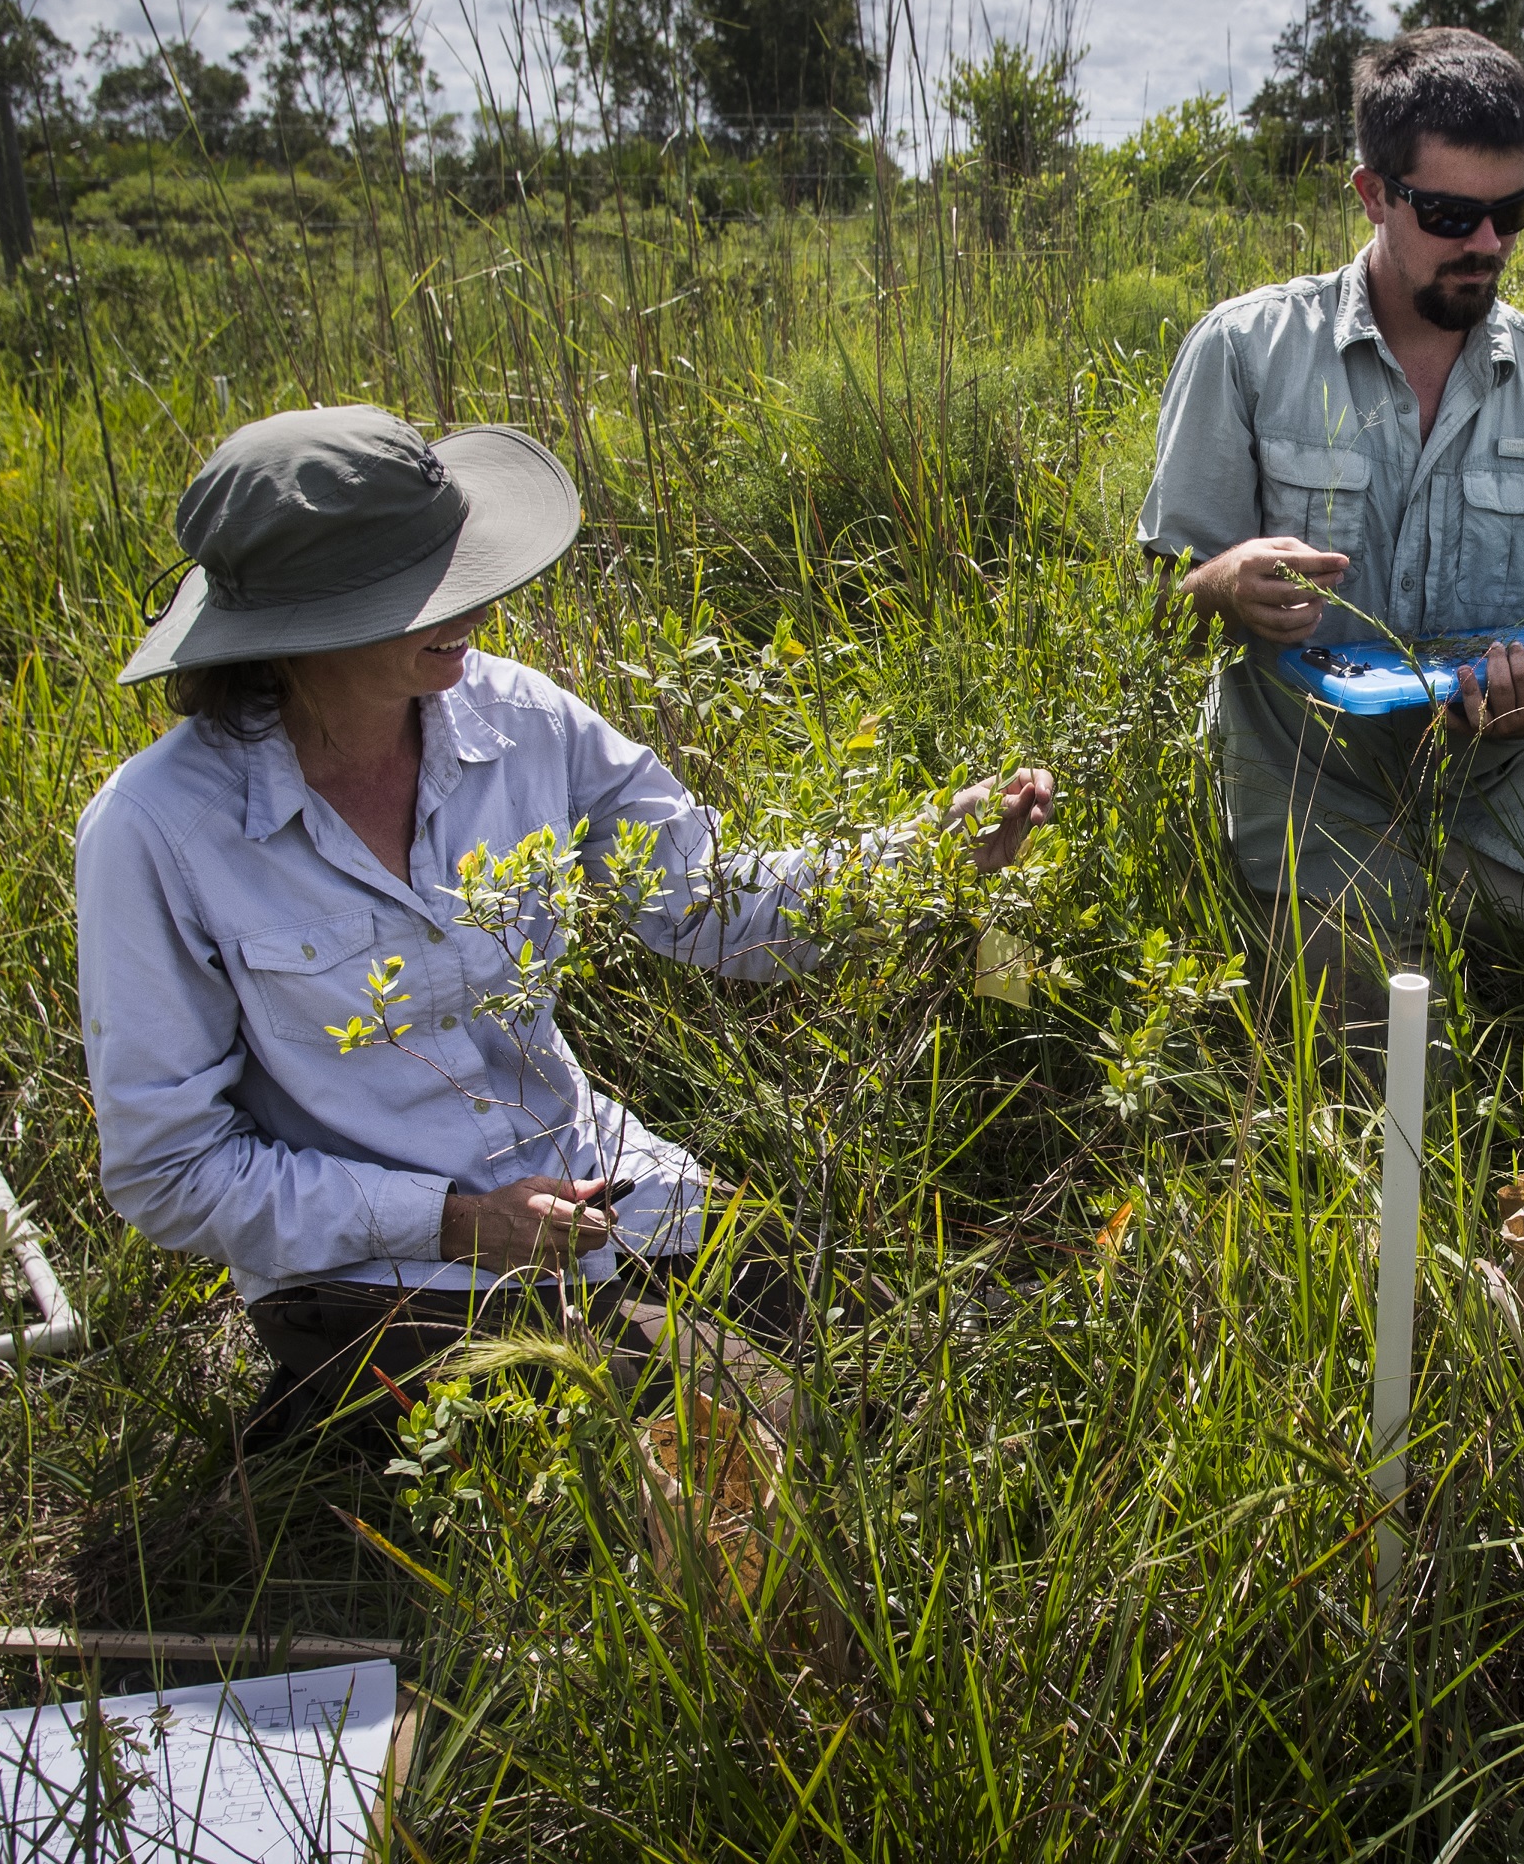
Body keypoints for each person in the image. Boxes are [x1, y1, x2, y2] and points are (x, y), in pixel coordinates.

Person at [76, 405, 1055, 1446]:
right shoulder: (157, 831)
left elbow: (713, 902)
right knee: (748, 1435)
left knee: (895, 1351)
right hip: (372, 1264)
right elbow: (169, 1171)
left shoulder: (523, 721)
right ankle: (343, 1395)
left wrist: (925, 859)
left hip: (601, 1182)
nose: (476, 603)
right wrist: (454, 1223)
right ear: (295, 633)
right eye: (417, 592)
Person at [1136, 27, 1524, 1037]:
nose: (1488, 245)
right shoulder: (1245, 349)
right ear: (1372, 194)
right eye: (1452, 214)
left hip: (1496, 788)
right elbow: (1157, 611)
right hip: (1304, 795)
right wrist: (1226, 579)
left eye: (1514, 210)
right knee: (1400, 1088)